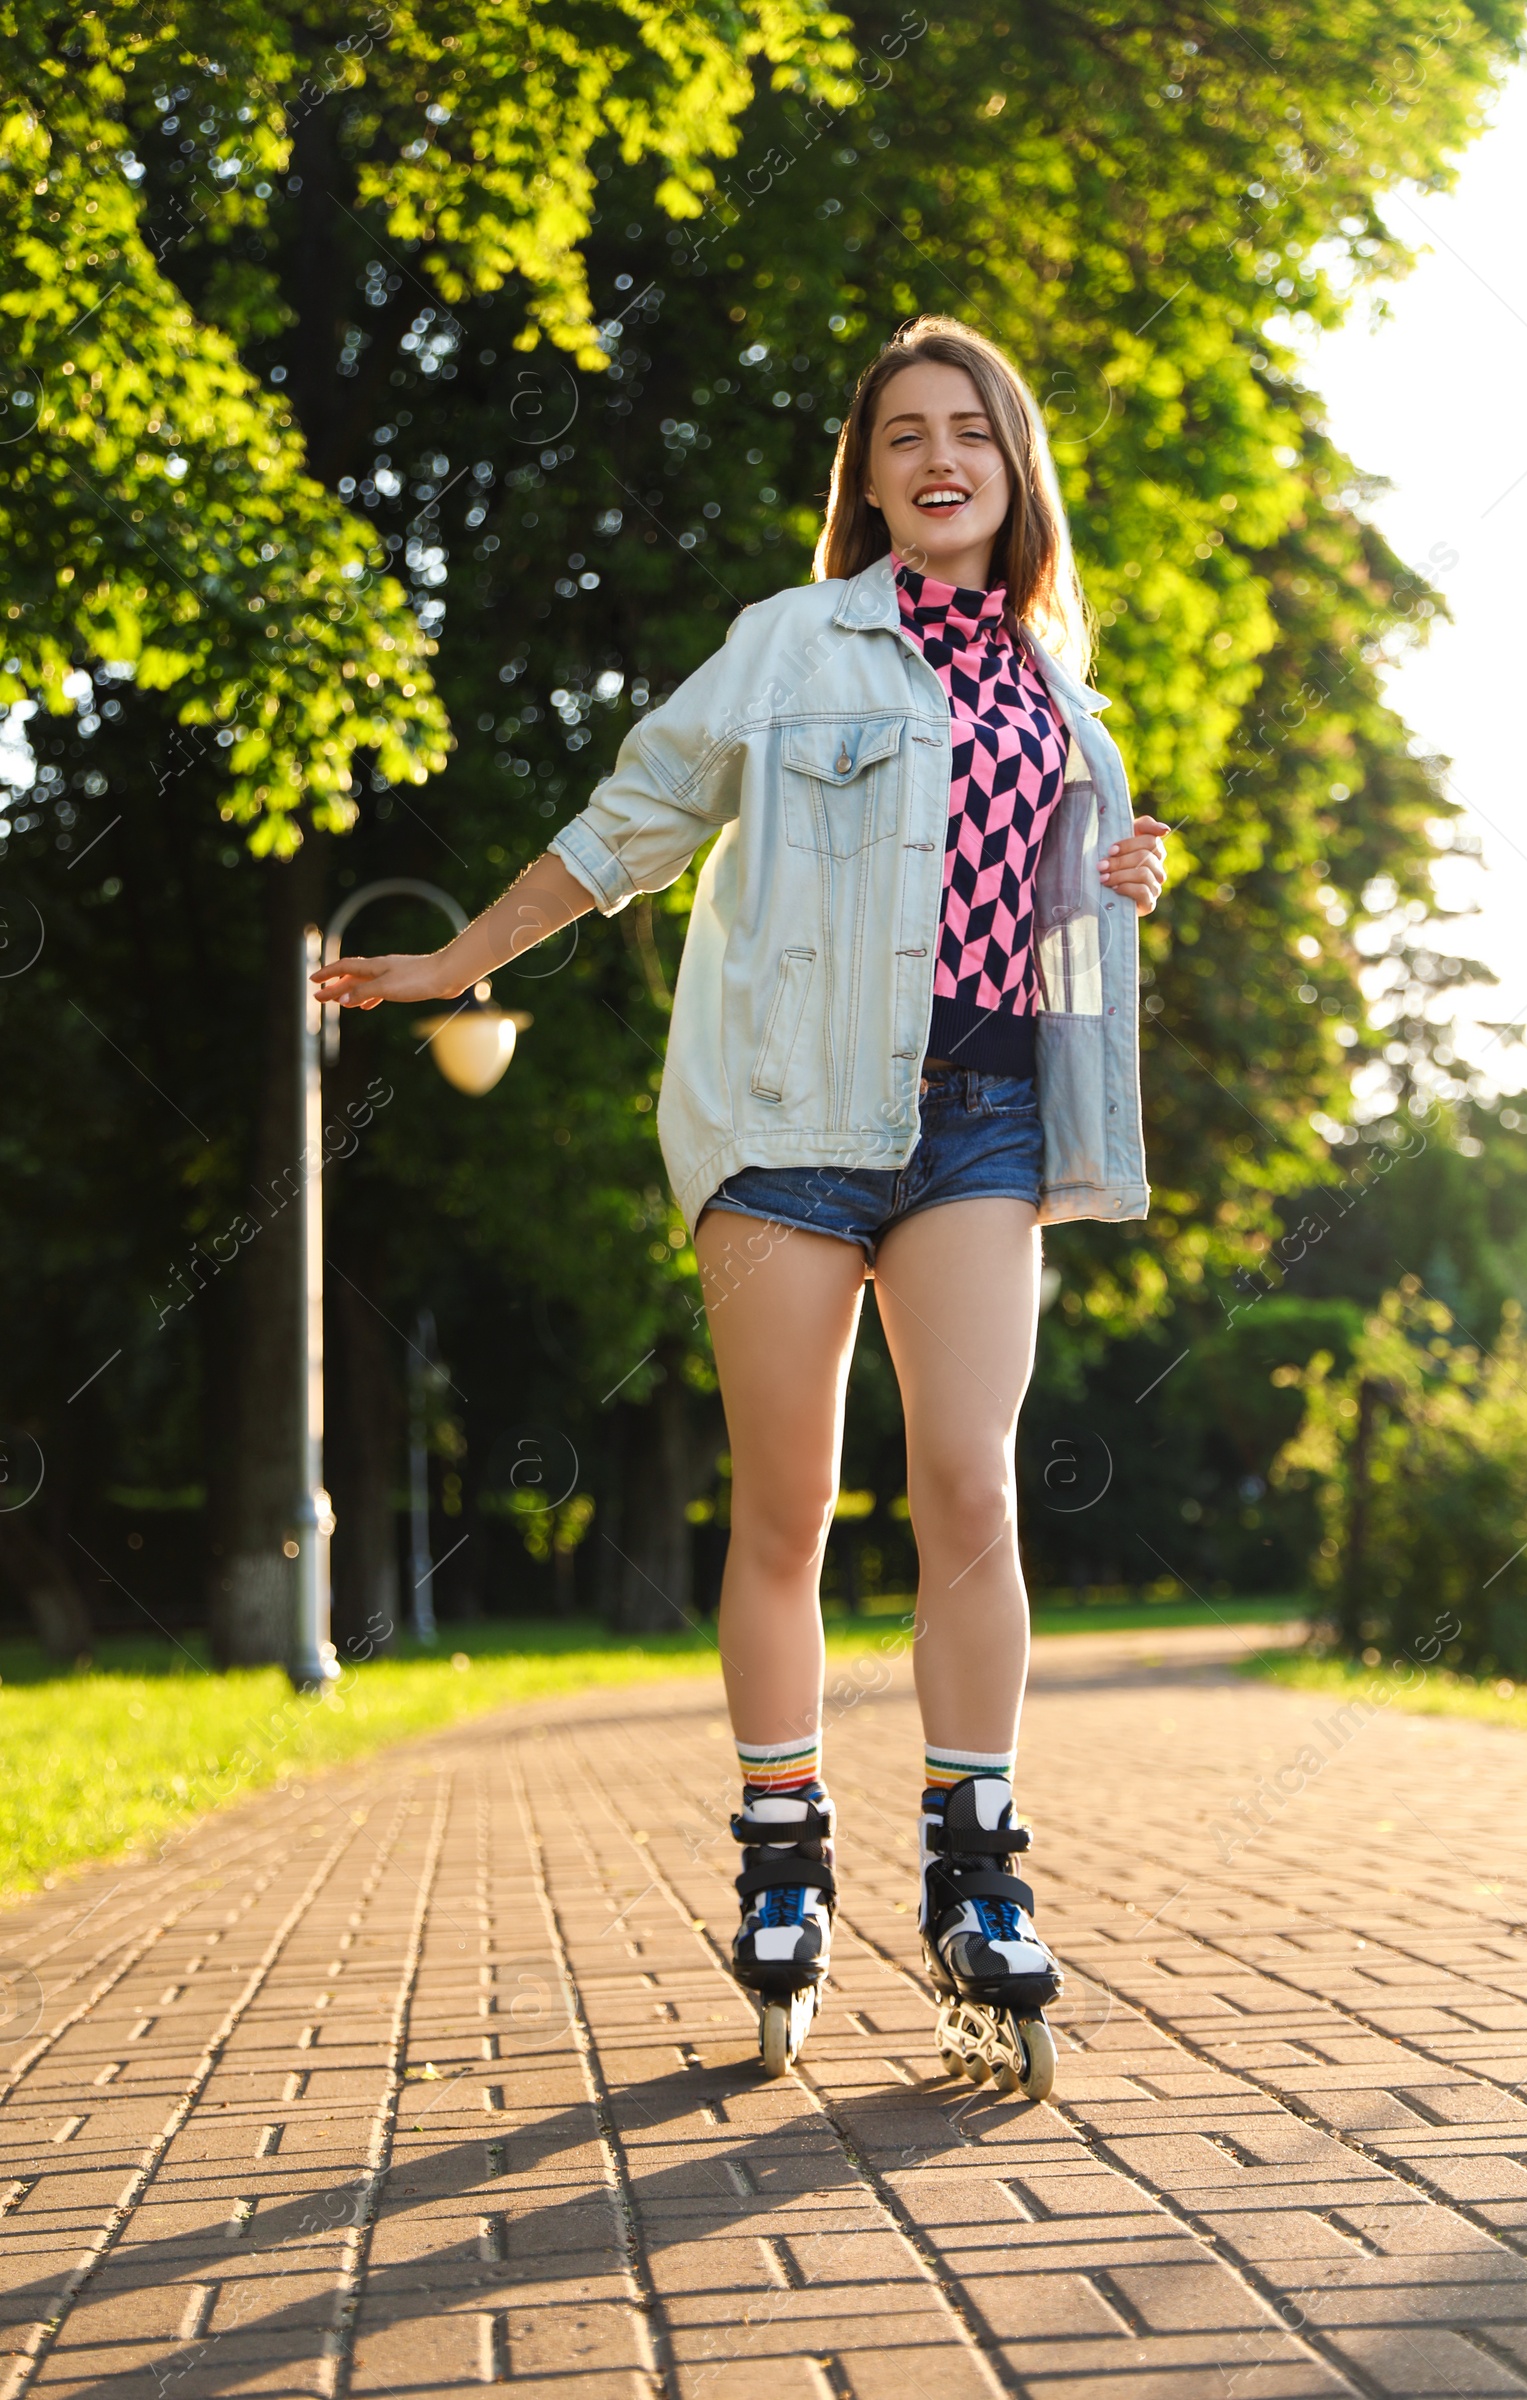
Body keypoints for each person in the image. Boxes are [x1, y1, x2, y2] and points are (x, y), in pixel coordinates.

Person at [314, 315, 1168, 2089]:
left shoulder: (1063, 687)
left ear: (1017, 472)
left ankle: (973, 1871)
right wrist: (459, 959)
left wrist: (1120, 871)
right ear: (863, 478)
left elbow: (1048, 910)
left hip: (987, 1117)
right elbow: (633, 819)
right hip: (786, 1122)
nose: (940, 458)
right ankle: (785, 1857)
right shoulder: (790, 645)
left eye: (973, 433)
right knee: (786, 1502)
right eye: (905, 435)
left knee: (970, 1486)